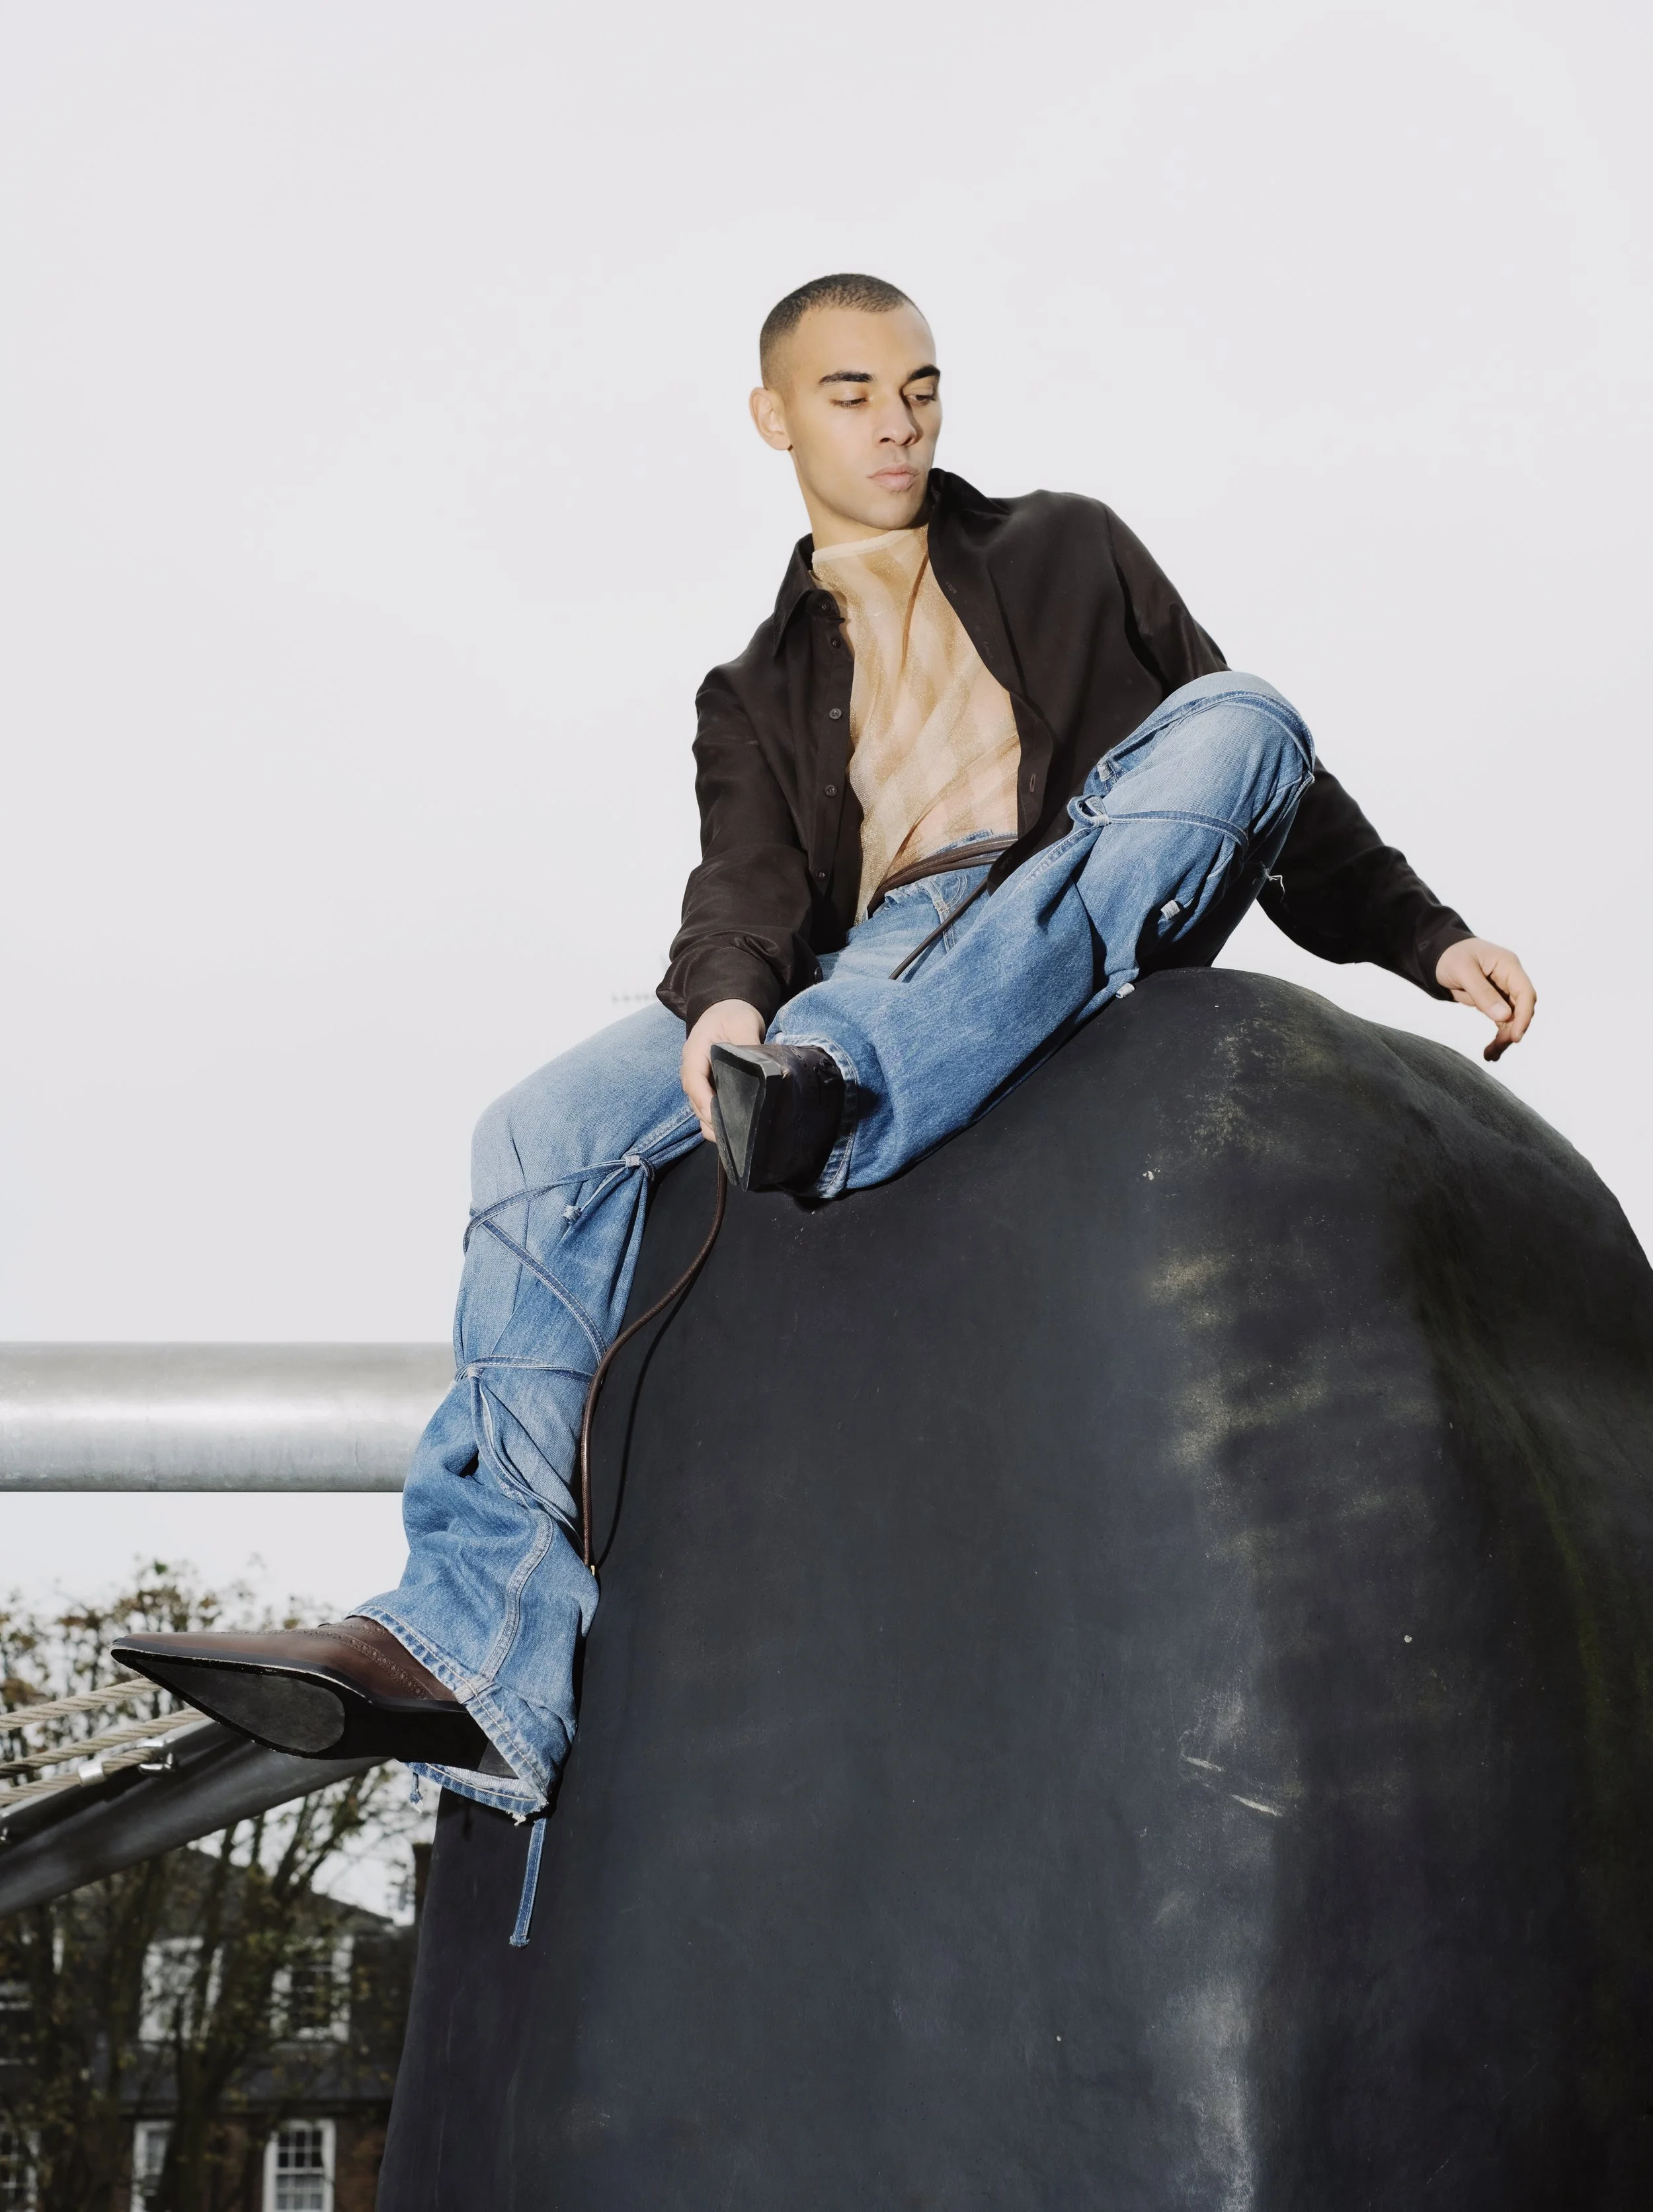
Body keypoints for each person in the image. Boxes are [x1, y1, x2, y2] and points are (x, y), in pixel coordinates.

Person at [114, 274, 1536, 1818]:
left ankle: (840, 1091)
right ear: (774, 415)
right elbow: (742, 883)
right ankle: (477, 1651)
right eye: (851, 392)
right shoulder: (751, 689)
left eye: (919, 388)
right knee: (530, 1134)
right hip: (845, 965)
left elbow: (1268, 785)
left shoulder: (1068, 546)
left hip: (1058, 884)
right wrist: (729, 1002)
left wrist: (1422, 933)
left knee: (1248, 716)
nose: (895, 423)